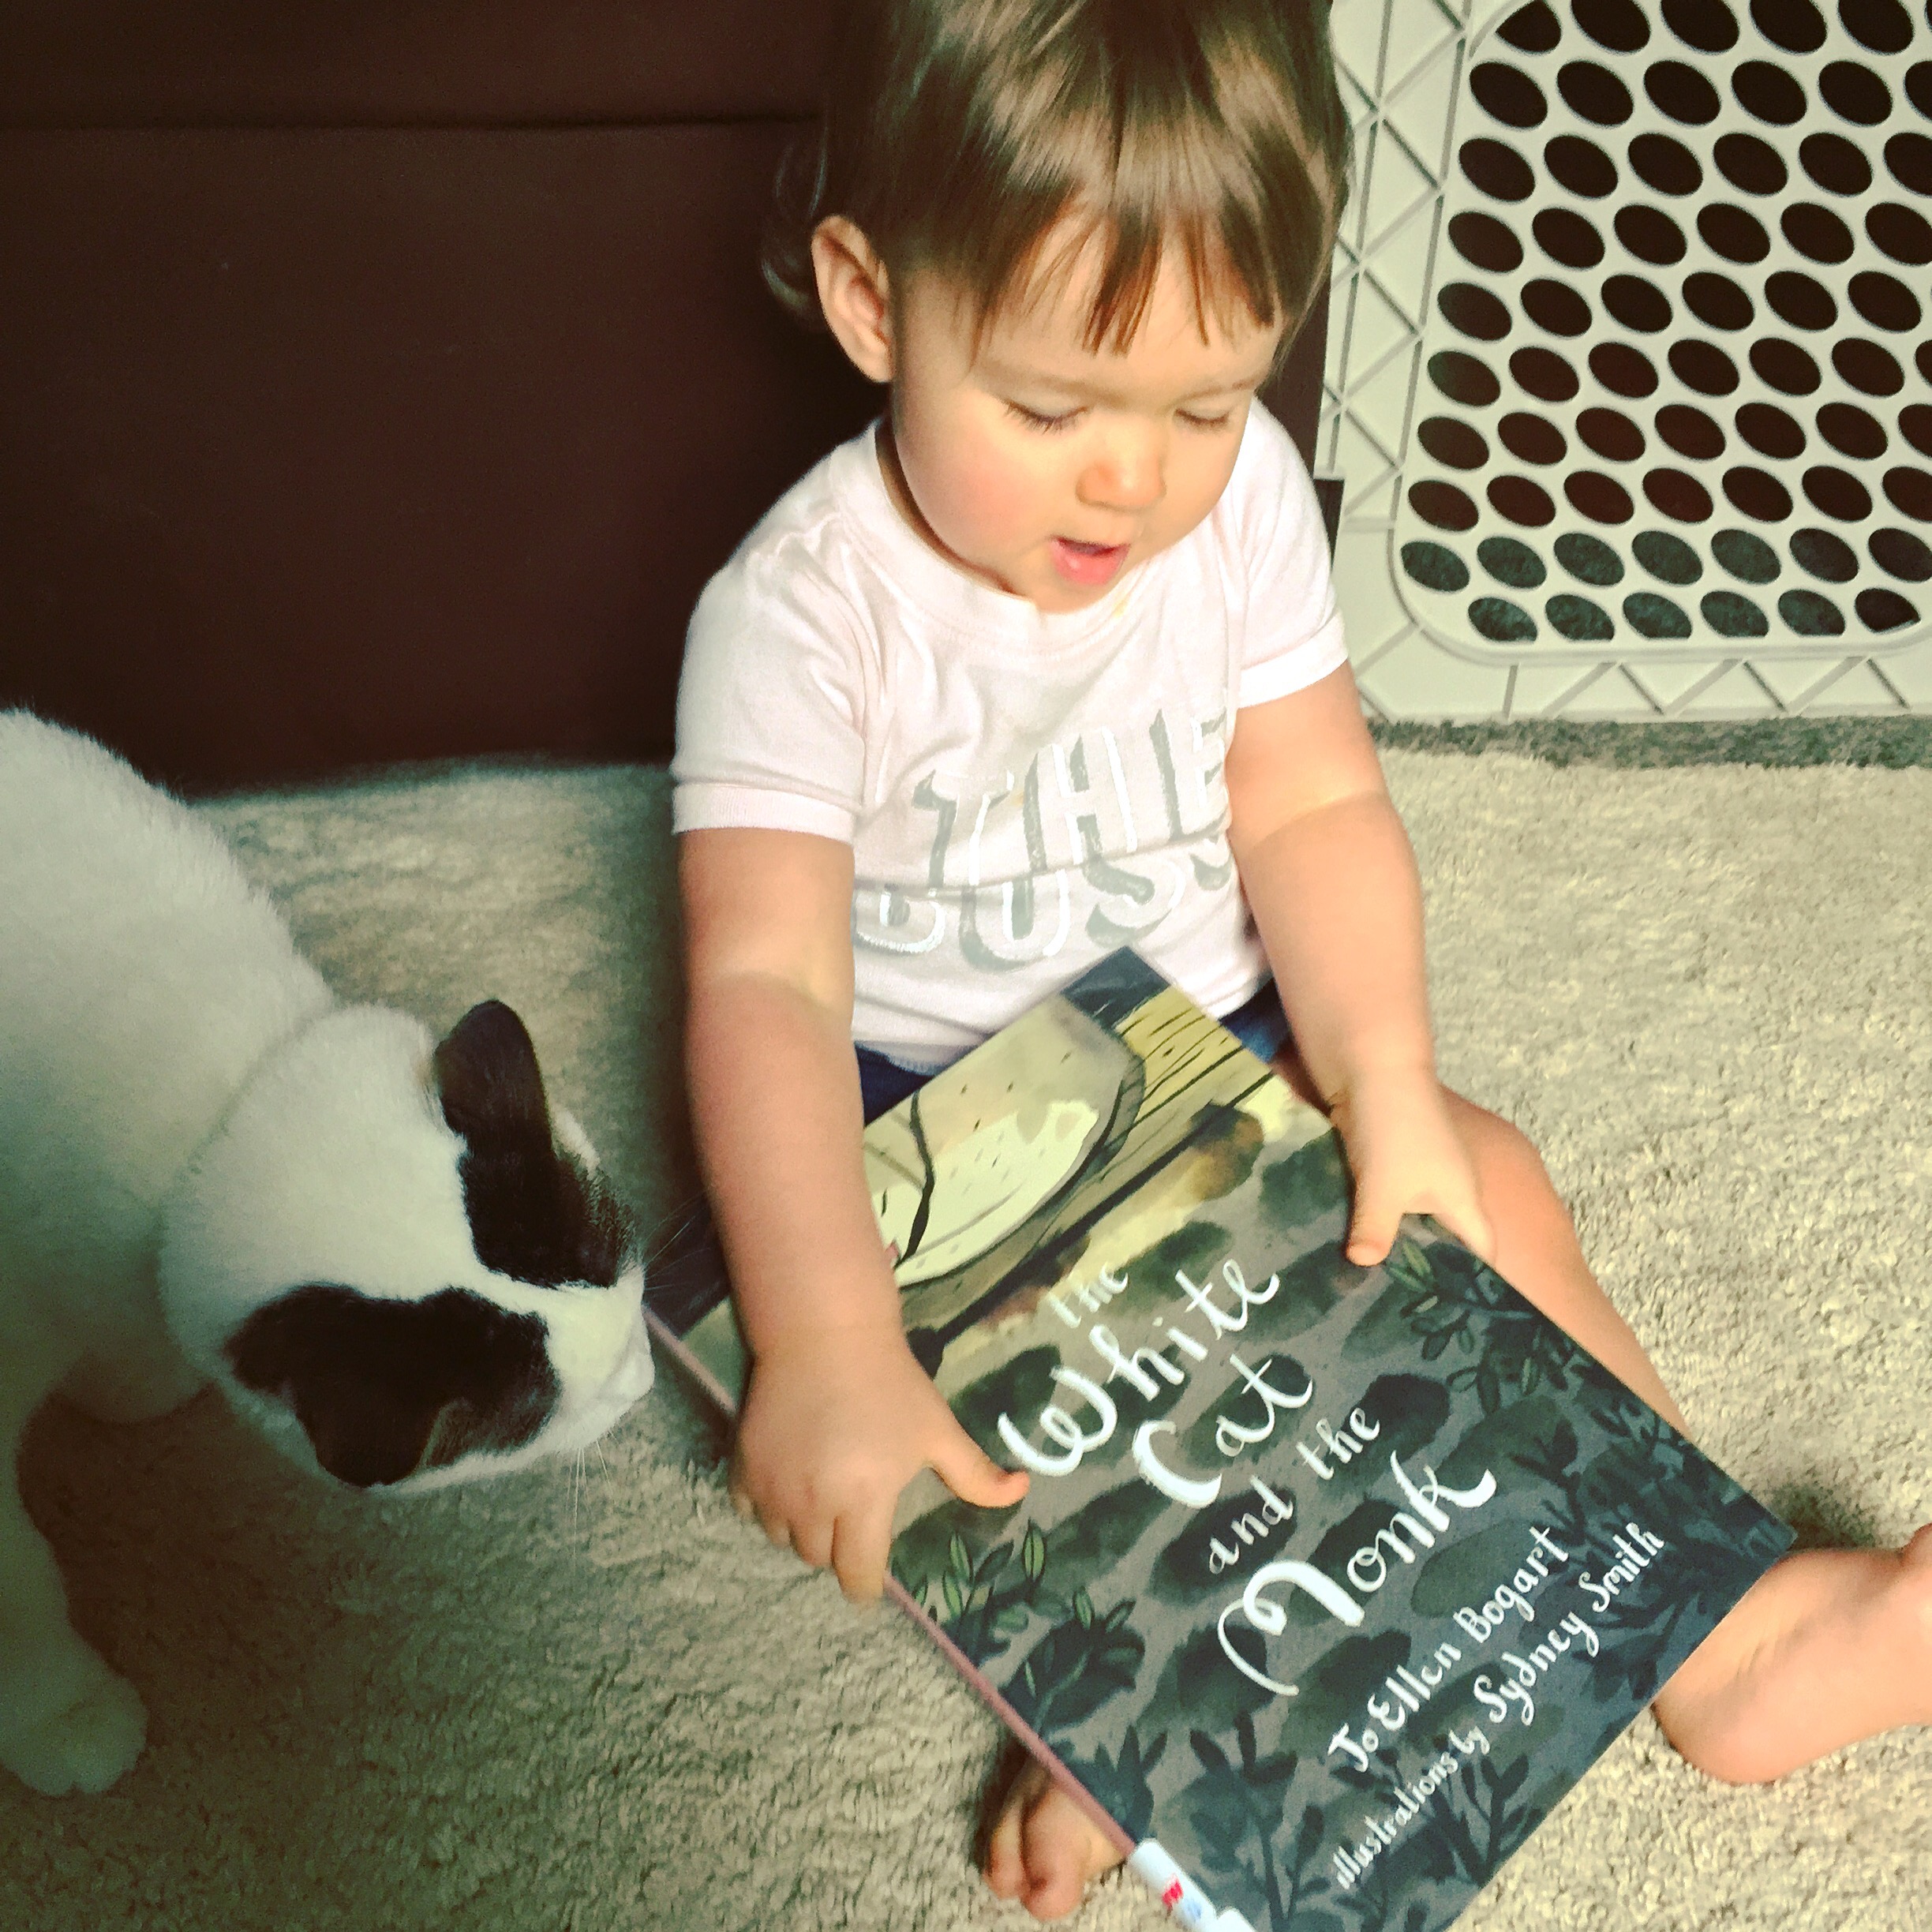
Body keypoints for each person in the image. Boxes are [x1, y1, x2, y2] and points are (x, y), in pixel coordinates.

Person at [672, 0, 1932, 1917]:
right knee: (1005, 1420)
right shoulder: (798, 615)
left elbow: (1314, 804)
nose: (1134, 479)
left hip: (1203, 1049)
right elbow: (765, 985)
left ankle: (1735, 1637)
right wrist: (826, 1337)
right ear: (871, 301)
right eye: (1049, 409)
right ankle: (1146, 1734)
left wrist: (1384, 1078)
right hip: (932, 1124)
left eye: (1203, 401)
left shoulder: (1244, 499)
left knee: (1475, 1186)